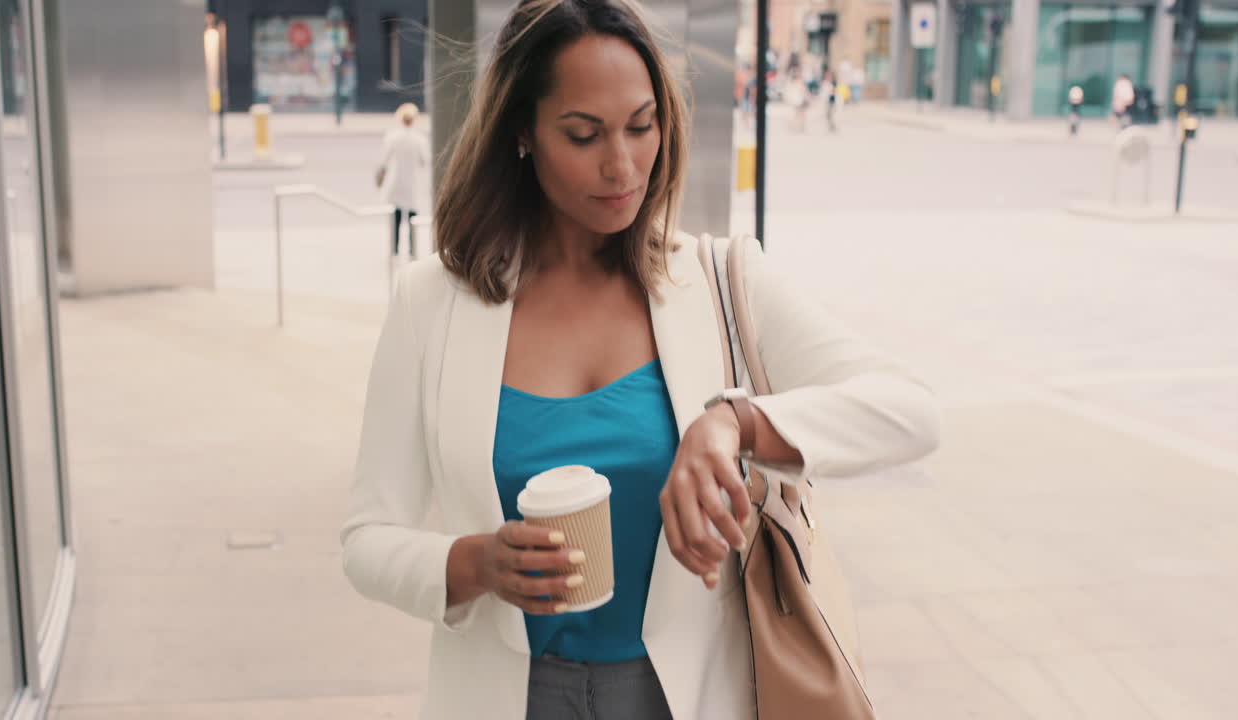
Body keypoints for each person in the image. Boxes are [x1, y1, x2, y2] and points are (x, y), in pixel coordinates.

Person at [339, 2, 940, 719]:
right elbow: (367, 538)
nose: (621, 165)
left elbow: (910, 410)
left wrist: (734, 425)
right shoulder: (431, 303)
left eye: (641, 125)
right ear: (523, 133)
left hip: (688, 698)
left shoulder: (718, 278)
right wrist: (471, 564)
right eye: (584, 134)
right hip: (502, 697)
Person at [375, 102, 430, 259]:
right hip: (412, 182)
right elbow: (425, 161)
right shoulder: (419, 139)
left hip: (396, 182)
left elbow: (383, 162)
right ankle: (413, 250)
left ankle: (395, 249)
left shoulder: (392, 137)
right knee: (413, 217)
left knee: (396, 217)